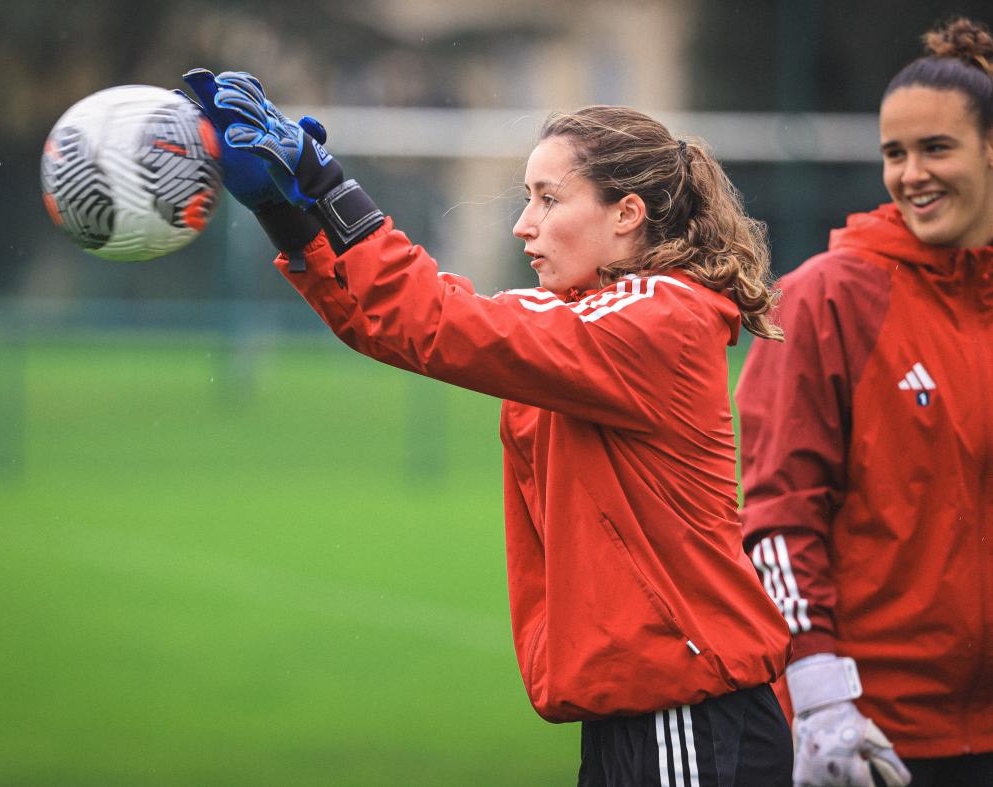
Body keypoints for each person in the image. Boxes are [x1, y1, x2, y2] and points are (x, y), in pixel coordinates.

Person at [180, 67, 793, 786]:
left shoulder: (660, 318)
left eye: (547, 199)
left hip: (690, 717)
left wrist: (324, 179)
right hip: (646, 715)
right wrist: (288, 214)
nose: (523, 223)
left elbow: (436, 319)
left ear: (626, 213)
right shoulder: (591, 320)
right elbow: (390, 324)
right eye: (524, 198)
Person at [737, 16, 993, 787]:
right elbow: (779, 517)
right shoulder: (826, 298)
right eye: (894, 153)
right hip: (876, 736)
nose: (912, 173)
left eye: (936, 148)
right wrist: (820, 701)